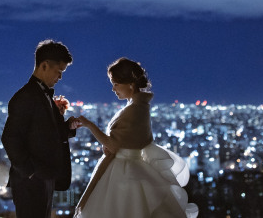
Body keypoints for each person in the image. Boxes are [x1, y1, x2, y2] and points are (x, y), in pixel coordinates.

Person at [73, 58, 198, 218]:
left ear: (130, 84)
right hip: (131, 169)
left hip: (123, 173)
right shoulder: (139, 107)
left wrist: (89, 124)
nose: (113, 89)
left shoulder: (133, 109)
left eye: (116, 84)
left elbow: (113, 145)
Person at [1, 39, 79, 218]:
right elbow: (10, 137)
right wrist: (30, 172)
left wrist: (67, 126)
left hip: (44, 176)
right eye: (58, 71)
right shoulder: (26, 96)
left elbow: (46, 133)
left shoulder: (43, 96)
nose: (59, 77)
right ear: (44, 65)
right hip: (31, 180)